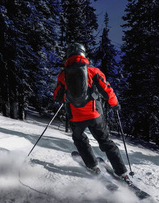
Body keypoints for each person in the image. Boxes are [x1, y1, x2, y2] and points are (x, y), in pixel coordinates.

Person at [54, 43, 132, 184]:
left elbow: (57, 96)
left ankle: (92, 166)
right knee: (106, 142)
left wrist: (66, 96)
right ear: (83, 54)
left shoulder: (62, 75)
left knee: (80, 140)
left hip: (76, 117)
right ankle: (122, 173)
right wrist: (115, 104)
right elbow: (107, 89)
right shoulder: (93, 71)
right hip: (94, 115)